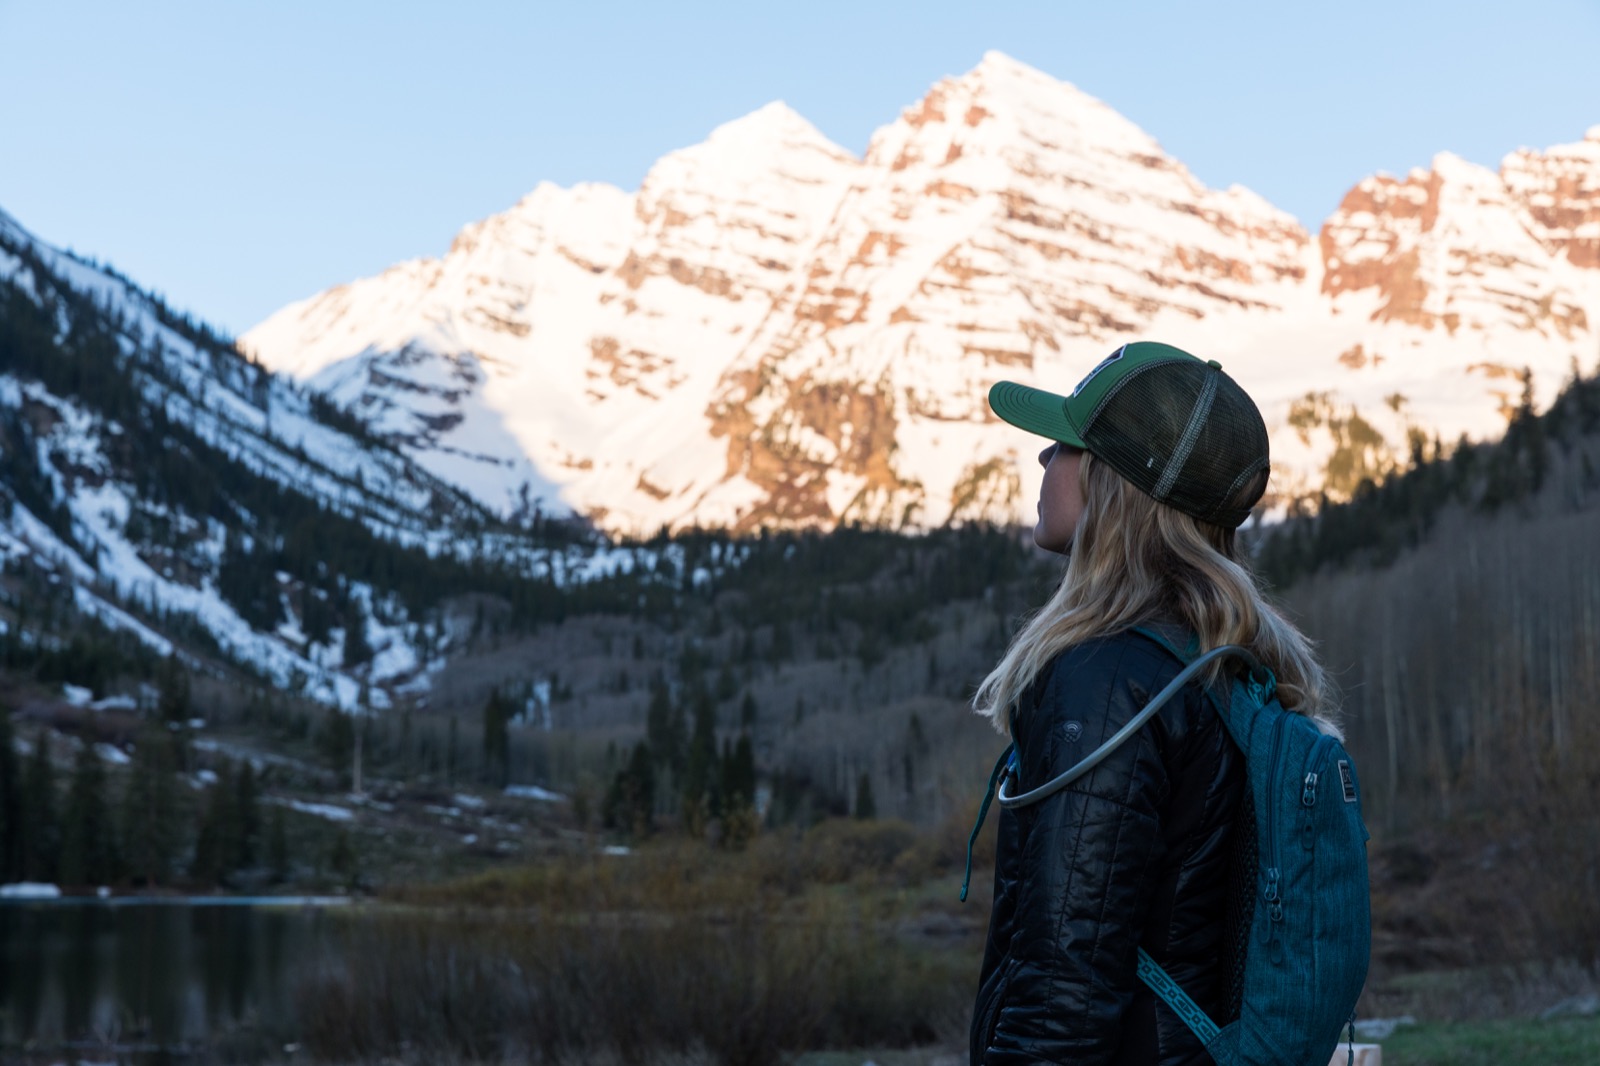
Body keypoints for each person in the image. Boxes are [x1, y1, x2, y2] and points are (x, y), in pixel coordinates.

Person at [969, 341, 1340, 1066]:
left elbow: (1062, 996)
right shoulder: (1219, 661)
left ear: (1115, 482)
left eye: (1066, 446)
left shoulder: (1109, 681)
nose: (1044, 462)